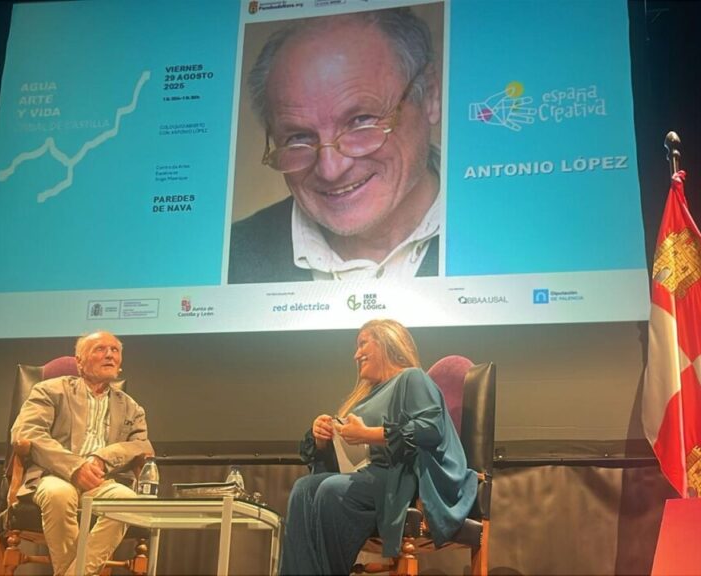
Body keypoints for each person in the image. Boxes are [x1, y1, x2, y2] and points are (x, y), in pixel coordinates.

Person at [229, 7, 443, 283]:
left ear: (431, 97)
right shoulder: (233, 259)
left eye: (360, 121)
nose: (330, 170)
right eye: (298, 138)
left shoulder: (504, 228)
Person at [280, 319, 476, 575]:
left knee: (332, 490)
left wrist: (366, 434)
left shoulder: (412, 378)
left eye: (363, 344)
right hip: (369, 477)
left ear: (387, 343)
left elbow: (430, 429)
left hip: (401, 479)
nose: (356, 354)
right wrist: (323, 438)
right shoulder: (367, 396)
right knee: (303, 488)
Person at [11, 330, 153, 576]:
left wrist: (103, 458)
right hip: (53, 475)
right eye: (100, 349)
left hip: (102, 480)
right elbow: (27, 432)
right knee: (59, 494)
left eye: (115, 350)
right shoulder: (49, 390)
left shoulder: (131, 407)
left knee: (127, 500)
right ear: (79, 362)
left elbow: (142, 446)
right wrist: (74, 467)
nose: (109, 355)